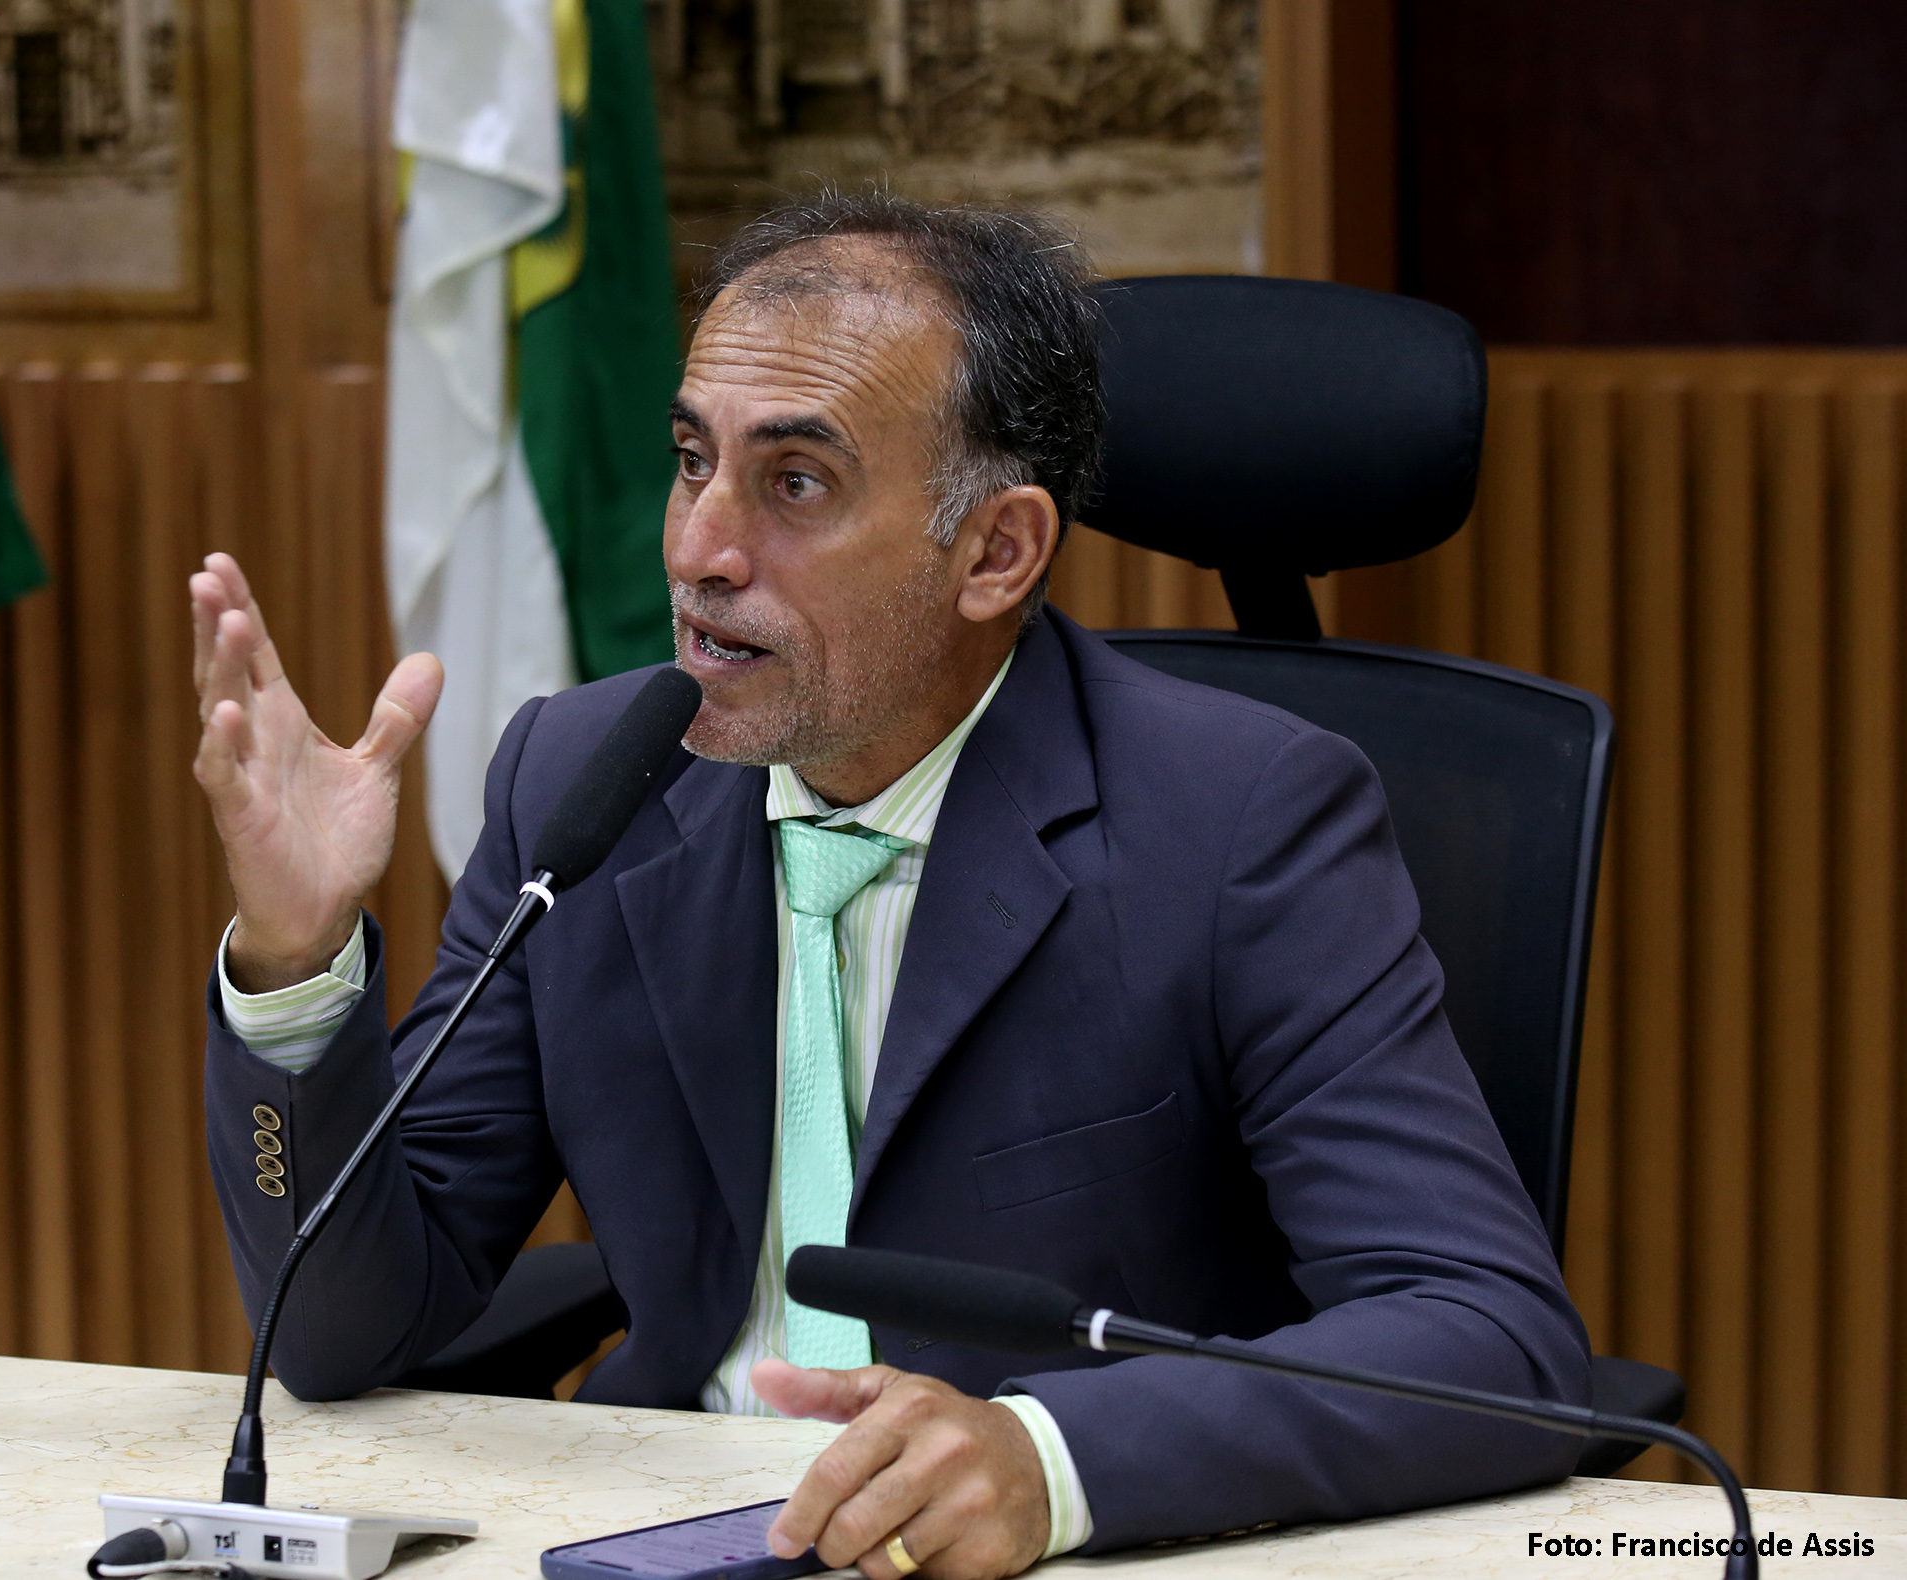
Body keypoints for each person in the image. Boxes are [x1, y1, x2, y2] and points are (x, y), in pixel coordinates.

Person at [192, 192, 1589, 1580]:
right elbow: (341, 1329)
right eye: (693, 461)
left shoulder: (1238, 821)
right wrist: (296, 959)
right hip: (657, 1540)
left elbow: (1489, 1336)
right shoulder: (583, 782)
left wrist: (1052, 1460)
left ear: (996, 553)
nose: (698, 550)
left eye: (795, 483)